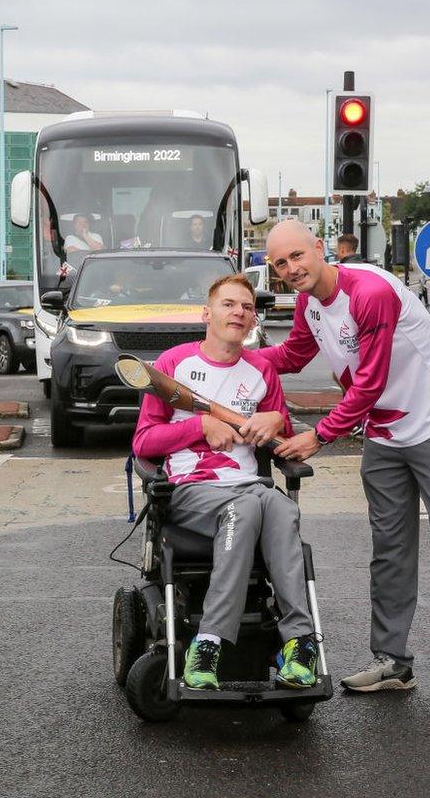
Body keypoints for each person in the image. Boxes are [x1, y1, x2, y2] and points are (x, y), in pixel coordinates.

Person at [259, 220, 430, 701]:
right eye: (281, 263)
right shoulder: (308, 304)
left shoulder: (370, 292)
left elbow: (370, 382)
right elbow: (292, 356)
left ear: (320, 248)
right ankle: (393, 662)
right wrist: (228, 349)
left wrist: (319, 435)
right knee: (390, 547)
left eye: (297, 255)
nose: (291, 269)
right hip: (384, 432)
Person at [133, 273, 319, 691]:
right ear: (207, 313)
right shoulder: (173, 365)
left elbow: (279, 433)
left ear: (254, 320)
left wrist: (278, 418)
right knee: (250, 506)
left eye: (247, 307)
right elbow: (144, 441)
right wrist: (200, 424)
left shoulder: (261, 370)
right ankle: (208, 643)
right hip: (191, 490)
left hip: (248, 485)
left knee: (281, 506)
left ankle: (299, 644)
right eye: (228, 304)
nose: (239, 312)